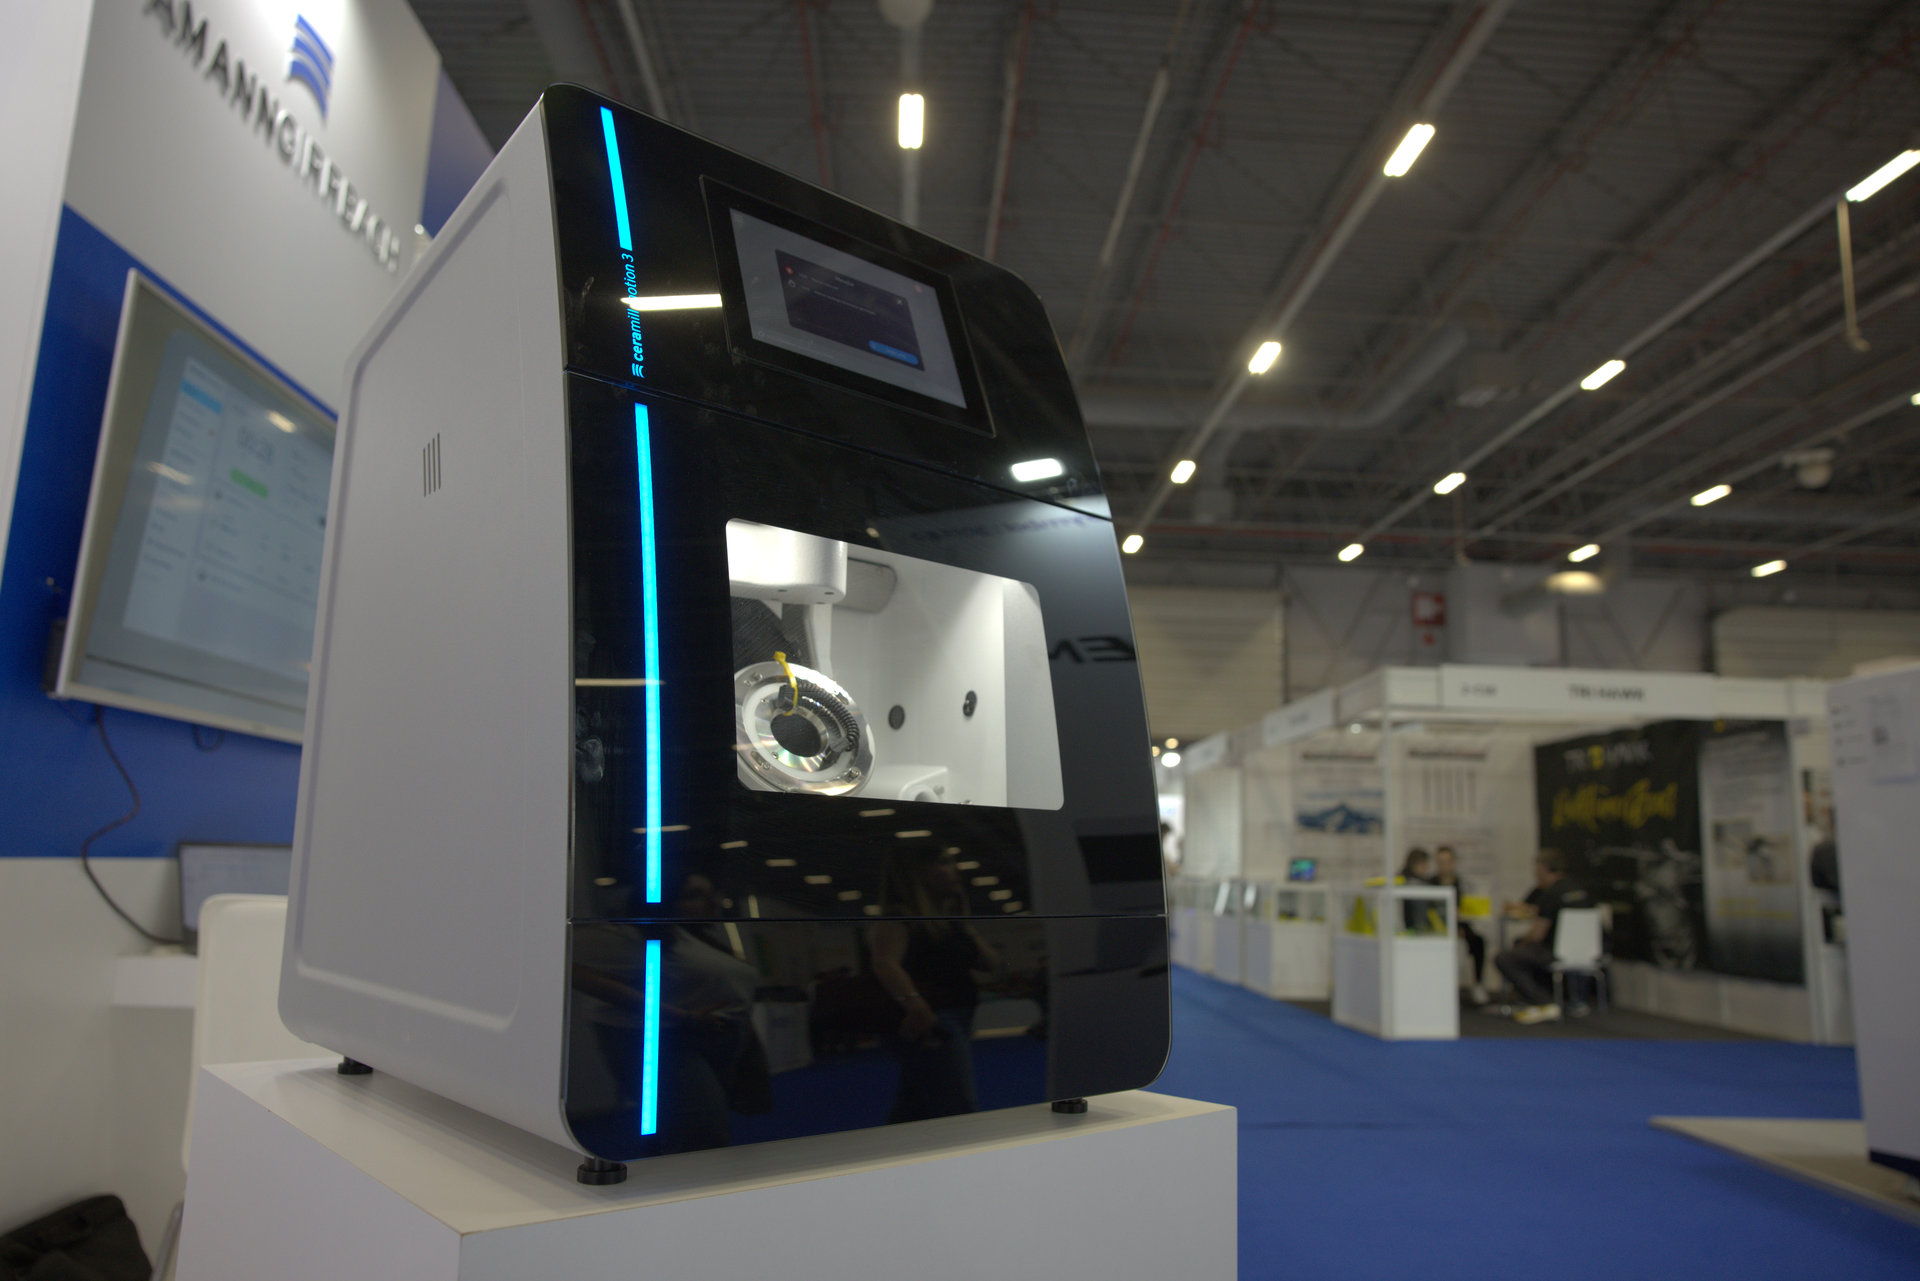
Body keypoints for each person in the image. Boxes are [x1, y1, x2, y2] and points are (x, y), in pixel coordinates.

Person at [869, 846, 997, 1122]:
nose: (955, 870)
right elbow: (884, 963)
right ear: (917, 873)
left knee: (915, 1108)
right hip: (933, 1022)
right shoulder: (899, 917)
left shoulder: (947, 921)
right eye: (944, 862)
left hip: (954, 1018)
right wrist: (916, 1005)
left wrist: (967, 926)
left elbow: (991, 964)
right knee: (957, 1109)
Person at [1494, 849, 1591, 1024]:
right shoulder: (1580, 889)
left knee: (1505, 957)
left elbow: (1537, 935)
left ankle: (1543, 1001)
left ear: (1543, 868)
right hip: (1589, 951)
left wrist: (1523, 943)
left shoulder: (1551, 894)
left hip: (1556, 951)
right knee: (1525, 949)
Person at [1434, 845, 1489, 1005]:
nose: (1444, 865)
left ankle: (1478, 984)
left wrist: (1460, 925)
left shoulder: (1462, 885)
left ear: (1454, 862)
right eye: (1440, 862)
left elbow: (1469, 910)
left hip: (1461, 926)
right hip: (1437, 929)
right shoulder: (1431, 884)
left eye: (1447, 861)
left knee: (1478, 941)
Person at [1398, 847, 1436, 932]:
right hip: (1413, 929)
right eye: (1423, 864)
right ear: (1414, 864)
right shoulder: (1413, 884)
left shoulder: (1402, 880)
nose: (1426, 868)